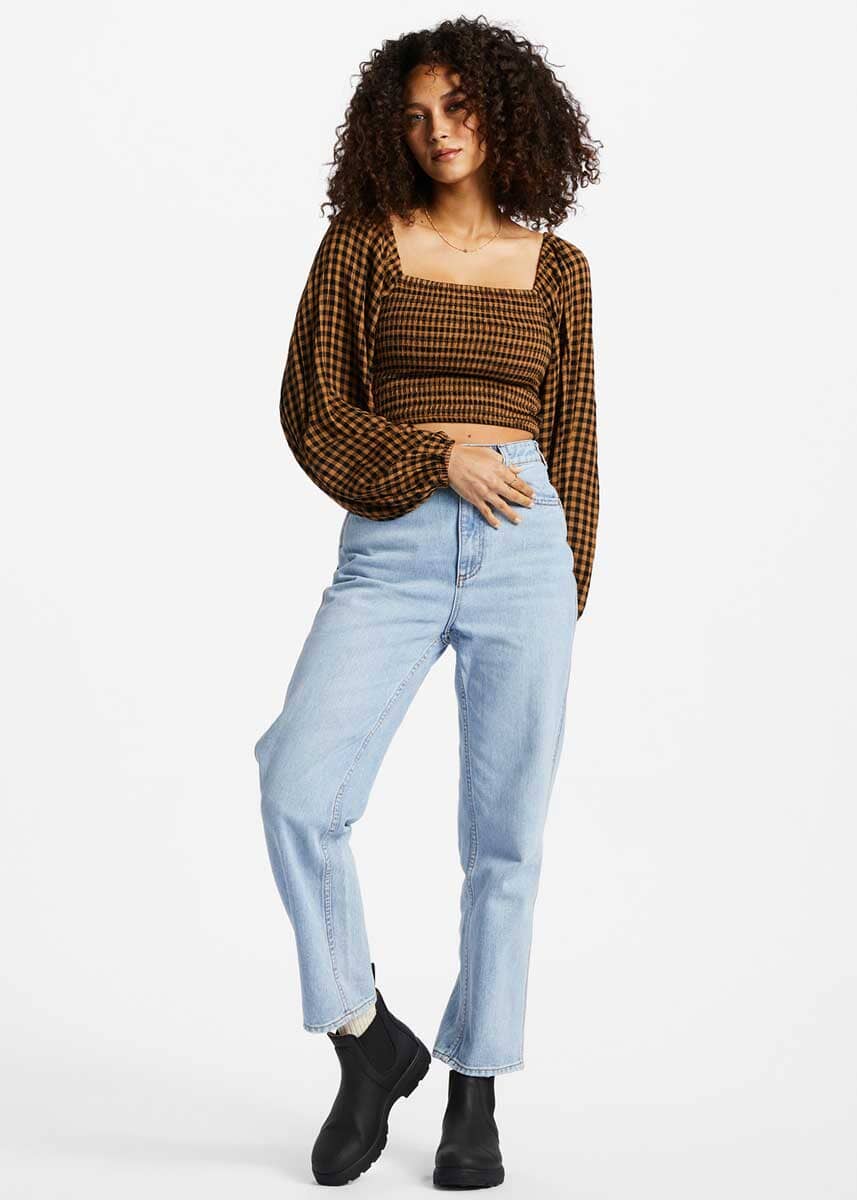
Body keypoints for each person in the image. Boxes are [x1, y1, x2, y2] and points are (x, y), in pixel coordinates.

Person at [253, 16, 601, 1189]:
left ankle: (474, 1089)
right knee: (298, 784)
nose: (437, 132)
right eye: (413, 115)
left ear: (504, 114)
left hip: (524, 550)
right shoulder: (363, 244)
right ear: (386, 130)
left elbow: (574, 441)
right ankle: (368, 1039)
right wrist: (432, 457)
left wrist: (562, 586)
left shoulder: (557, 269)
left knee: (505, 839)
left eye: (456, 107)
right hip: (392, 546)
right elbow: (312, 409)